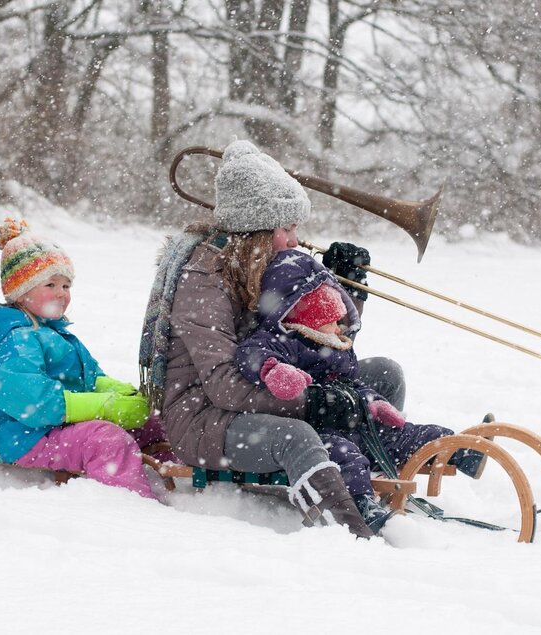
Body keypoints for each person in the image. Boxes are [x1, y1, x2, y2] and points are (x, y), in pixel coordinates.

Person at [139, 139, 400, 539]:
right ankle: (350, 534)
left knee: (384, 375)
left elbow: (319, 338)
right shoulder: (204, 279)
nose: (296, 241)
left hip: (270, 389)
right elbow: (224, 384)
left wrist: (347, 291)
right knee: (296, 435)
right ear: (257, 230)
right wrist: (312, 401)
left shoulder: (259, 261)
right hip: (204, 417)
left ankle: (358, 479)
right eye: (288, 229)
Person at [233, 247, 482, 533]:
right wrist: (274, 370)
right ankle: (361, 502)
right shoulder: (287, 340)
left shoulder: (336, 347)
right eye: (333, 321)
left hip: (356, 419)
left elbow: (353, 384)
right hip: (320, 429)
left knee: (407, 434)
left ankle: (461, 450)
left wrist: (375, 402)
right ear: (308, 319)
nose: (340, 328)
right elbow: (252, 352)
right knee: (344, 456)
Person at [0, 219, 158, 499]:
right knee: (107, 440)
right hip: (32, 437)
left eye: (66, 285)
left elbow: (91, 377)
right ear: (21, 292)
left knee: (155, 422)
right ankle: (130, 504)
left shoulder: (55, 334)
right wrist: (105, 407)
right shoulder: (17, 340)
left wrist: (122, 393)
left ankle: (191, 485)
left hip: (63, 428)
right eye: (50, 284)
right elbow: (35, 403)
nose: (61, 293)